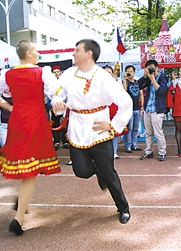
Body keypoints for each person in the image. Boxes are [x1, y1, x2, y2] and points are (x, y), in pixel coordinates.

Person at [53, 39, 132, 224]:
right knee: (80, 171)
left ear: (89, 53)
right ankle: (97, 171)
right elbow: (58, 93)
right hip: (76, 129)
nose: (73, 53)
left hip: (99, 130)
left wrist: (113, 125)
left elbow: (125, 102)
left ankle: (123, 207)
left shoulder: (103, 77)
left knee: (109, 173)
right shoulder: (68, 74)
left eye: (77, 50)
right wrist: (57, 102)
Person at [0, 40, 61, 235]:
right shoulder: (42, 72)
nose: (39, 54)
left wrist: (10, 107)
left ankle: (21, 202)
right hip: (35, 120)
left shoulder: (8, 74)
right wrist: (58, 103)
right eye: (36, 51)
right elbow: (55, 93)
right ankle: (18, 219)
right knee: (31, 169)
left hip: (17, 119)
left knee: (27, 163)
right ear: (28, 54)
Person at [138, 59, 168, 161]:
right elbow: (139, 85)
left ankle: (162, 152)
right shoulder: (148, 78)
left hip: (157, 109)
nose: (151, 69)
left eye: (152, 67)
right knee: (148, 132)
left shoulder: (162, 77)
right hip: (148, 109)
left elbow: (162, 91)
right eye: (149, 68)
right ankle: (148, 151)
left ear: (157, 68)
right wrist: (145, 76)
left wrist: (153, 79)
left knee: (158, 132)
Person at [122, 65, 143, 153]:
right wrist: (124, 79)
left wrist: (142, 105)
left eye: (131, 71)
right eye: (128, 71)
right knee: (129, 129)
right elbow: (124, 90)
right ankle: (128, 146)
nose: (130, 73)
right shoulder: (125, 82)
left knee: (135, 128)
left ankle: (134, 145)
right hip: (128, 109)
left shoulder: (137, 82)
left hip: (137, 108)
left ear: (134, 72)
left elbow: (141, 94)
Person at [50, 65, 69, 150]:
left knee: (65, 124)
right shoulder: (50, 83)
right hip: (54, 107)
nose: (57, 73)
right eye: (55, 72)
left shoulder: (65, 81)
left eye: (58, 72)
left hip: (65, 107)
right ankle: (56, 141)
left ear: (61, 72)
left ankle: (65, 141)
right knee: (55, 123)